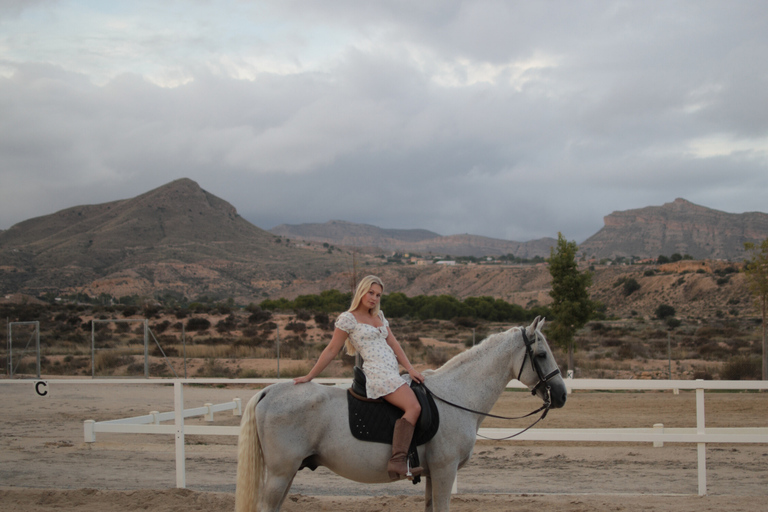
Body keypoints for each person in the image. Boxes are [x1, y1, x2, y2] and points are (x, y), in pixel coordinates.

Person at [293, 275, 425, 480]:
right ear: (361, 291)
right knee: (414, 407)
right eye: (370, 292)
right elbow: (331, 349)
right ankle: (397, 461)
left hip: (393, 372)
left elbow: (394, 344)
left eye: (378, 295)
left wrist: (410, 368)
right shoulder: (348, 318)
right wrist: (311, 375)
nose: (373, 298)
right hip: (379, 374)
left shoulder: (379, 315)